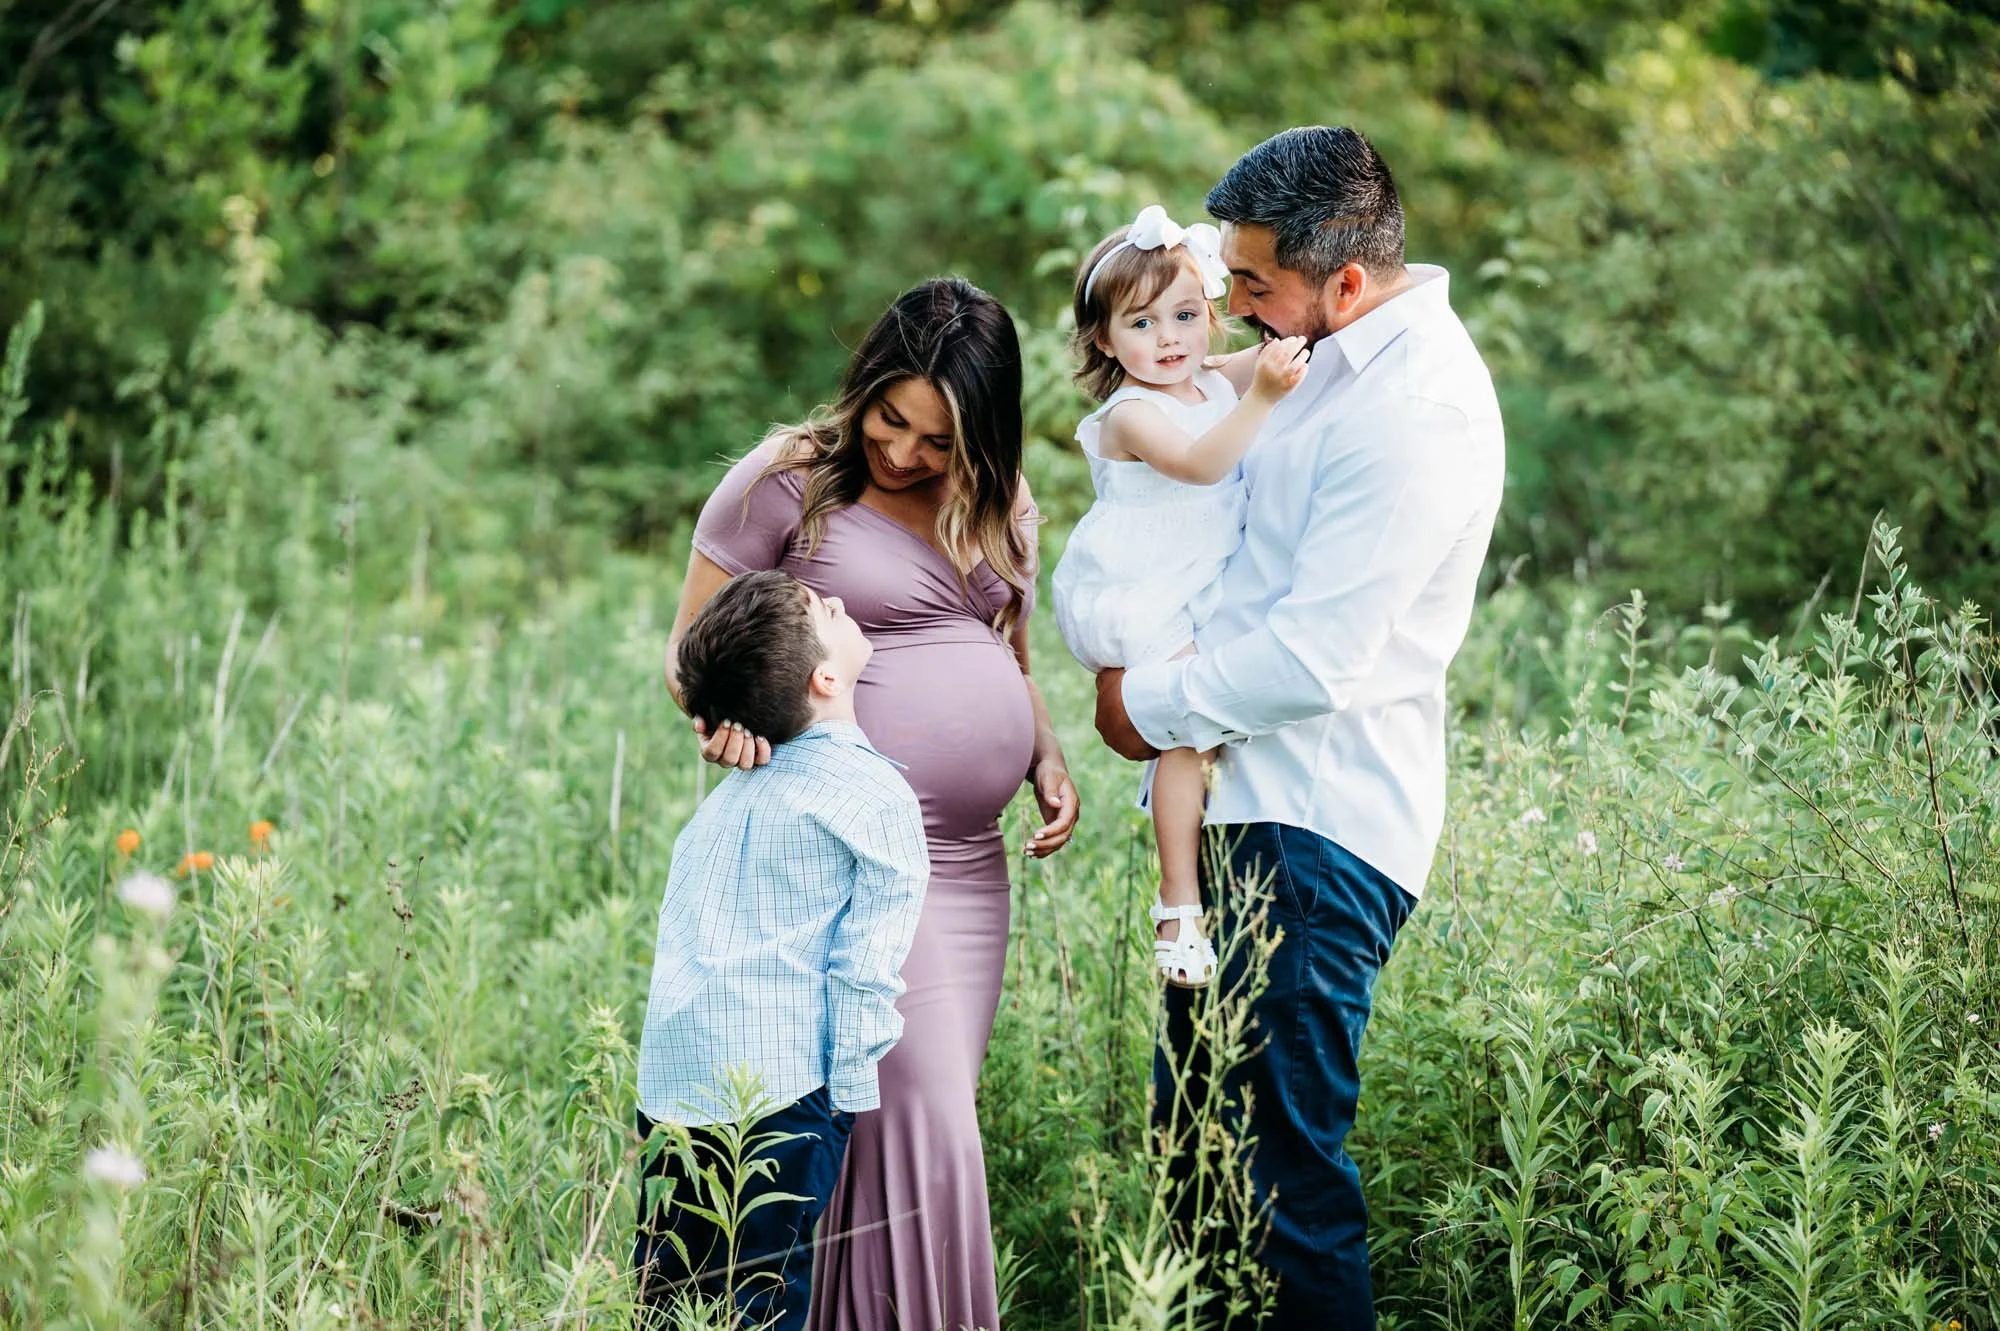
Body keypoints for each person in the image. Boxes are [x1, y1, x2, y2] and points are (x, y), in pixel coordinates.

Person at [1093, 127, 1506, 1328]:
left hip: (1315, 829)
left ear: (1343, 281)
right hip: (1243, 811)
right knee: (1199, 1168)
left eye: (1252, 282)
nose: (1228, 300)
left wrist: (1137, 706)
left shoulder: (1415, 405)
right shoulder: (1317, 351)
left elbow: (1313, 659)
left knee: (1275, 1183)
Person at [662, 277, 1081, 1331]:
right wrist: (725, 722)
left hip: (966, 865)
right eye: (888, 418)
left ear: (980, 434)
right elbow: (687, 657)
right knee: (913, 1110)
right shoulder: (784, 482)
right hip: (837, 850)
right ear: (862, 389)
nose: (900, 453)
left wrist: (1044, 753)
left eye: (935, 439)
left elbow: (1005, 656)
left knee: (897, 1123)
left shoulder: (1004, 502)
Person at [634, 569, 927, 1331]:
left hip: (672, 1090)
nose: (838, 599)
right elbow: (865, 963)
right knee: (762, 1296)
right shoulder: (875, 797)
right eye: (828, 610)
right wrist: (846, 1099)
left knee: (667, 1295)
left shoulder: (726, 801)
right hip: (780, 1093)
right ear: (826, 676)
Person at [1051, 203, 1310, 988]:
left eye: (1187, 315)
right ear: (1104, 339)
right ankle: (1177, 900)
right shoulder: (1130, 412)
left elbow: (1285, 356)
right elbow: (1200, 464)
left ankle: (1198, 879)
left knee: (1204, 732)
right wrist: (1263, 397)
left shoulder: (1206, 379)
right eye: (1142, 323)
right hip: (1150, 588)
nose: (1169, 339)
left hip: (1205, 579)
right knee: (1185, 732)